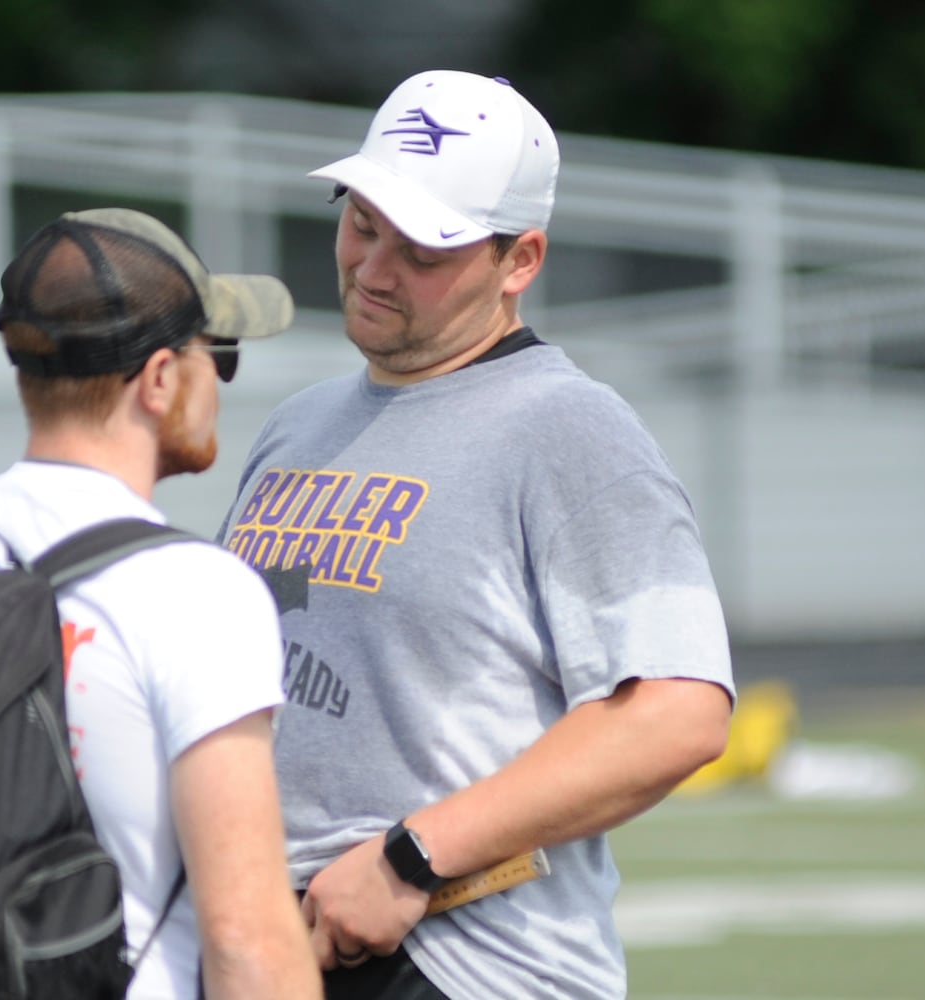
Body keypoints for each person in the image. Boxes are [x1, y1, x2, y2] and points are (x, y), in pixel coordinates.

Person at [218, 70, 735, 999]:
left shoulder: (568, 429)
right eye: (362, 223)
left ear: (519, 259)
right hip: (277, 952)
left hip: (464, 964)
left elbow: (676, 712)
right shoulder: (298, 423)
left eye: (422, 248)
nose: (373, 269)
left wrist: (410, 861)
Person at [0, 208, 323, 1000]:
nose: (220, 380)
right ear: (158, 379)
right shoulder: (193, 591)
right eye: (219, 355)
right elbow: (247, 937)